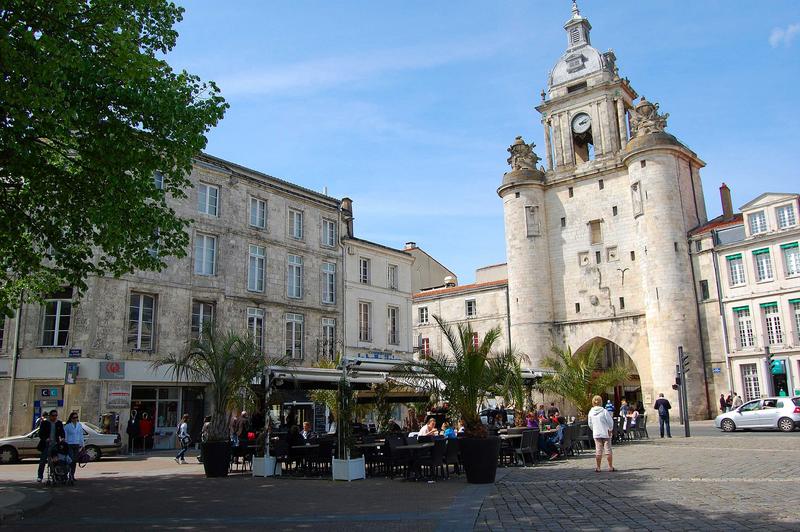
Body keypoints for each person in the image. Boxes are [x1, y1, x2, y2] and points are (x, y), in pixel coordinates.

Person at [588, 395, 615, 472]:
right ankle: (610, 466)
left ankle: (598, 467)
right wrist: (610, 429)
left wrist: (594, 429)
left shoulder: (591, 412)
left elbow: (590, 424)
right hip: (605, 432)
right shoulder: (604, 411)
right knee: (608, 450)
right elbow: (610, 422)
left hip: (596, 433)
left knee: (598, 450)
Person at [36, 409, 65, 482]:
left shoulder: (59, 423)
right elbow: (40, 434)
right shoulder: (45, 423)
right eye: (53, 415)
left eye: (56, 415)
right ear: (50, 416)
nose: (55, 417)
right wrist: (46, 439)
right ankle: (40, 476)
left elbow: (62, 432)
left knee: (55, 460)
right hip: (46, 445)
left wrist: (62, 438)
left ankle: (55, 474)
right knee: (43, 460)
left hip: (55, 445)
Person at [63, 412, 85, 482]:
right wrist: (65, 444)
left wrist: (82, 444)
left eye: (76, 417)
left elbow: (81, 435)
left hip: (77, 444)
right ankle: (66, 474)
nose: (75, 419)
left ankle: (72, 475)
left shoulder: (79, 425)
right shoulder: (67, 426)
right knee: (70, 460)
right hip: (69, 444)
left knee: (74, 460)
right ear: (71, 418)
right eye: (74, 418)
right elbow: (65, 436)